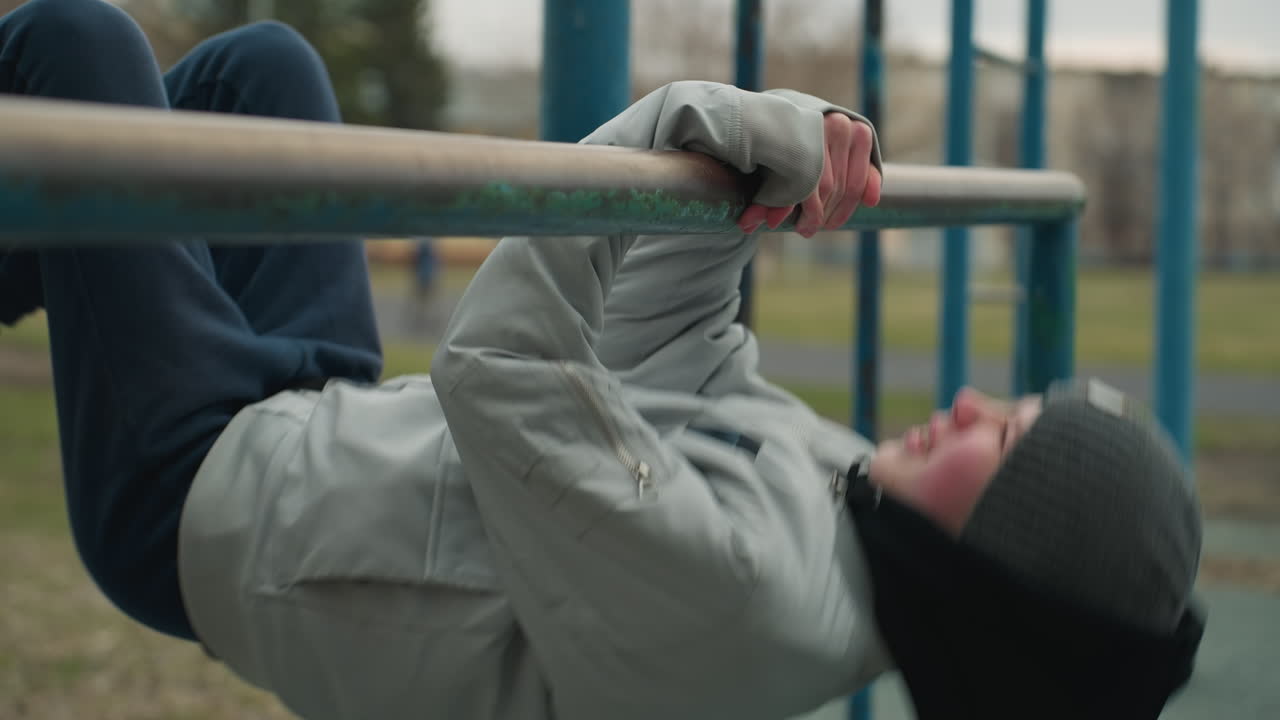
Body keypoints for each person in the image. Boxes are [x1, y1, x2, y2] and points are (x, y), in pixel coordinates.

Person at [0, 2, 1204, 720]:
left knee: (76, 40)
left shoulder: (749, 598)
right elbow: (659, 347)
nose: (964, 405)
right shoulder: (848, 499)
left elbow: (503, 372)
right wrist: (754, 175)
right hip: (324, 423)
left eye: (998, 442)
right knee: (262, 75)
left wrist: (688, 117)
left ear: (988, 564)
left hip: (208, 508)